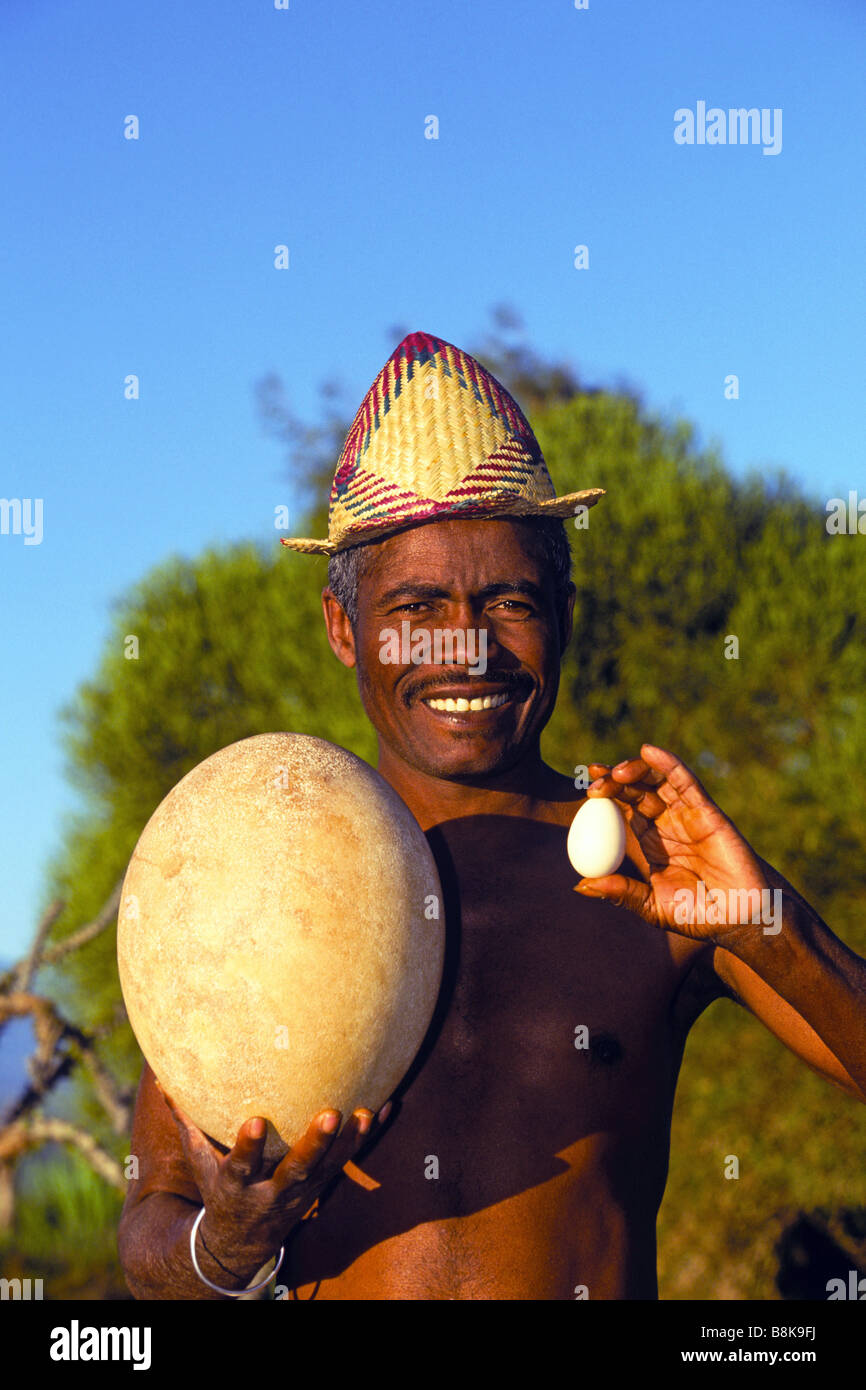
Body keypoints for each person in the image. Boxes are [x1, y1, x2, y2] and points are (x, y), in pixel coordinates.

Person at [118, 331, 866, 1300]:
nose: (465, 645)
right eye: (417, 606)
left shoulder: (648, 874)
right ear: (344, 627)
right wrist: (221, 1249)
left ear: (563, 608)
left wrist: (770, 919)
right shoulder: (251, 871)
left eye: (508, 599)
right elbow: (151, 1227)